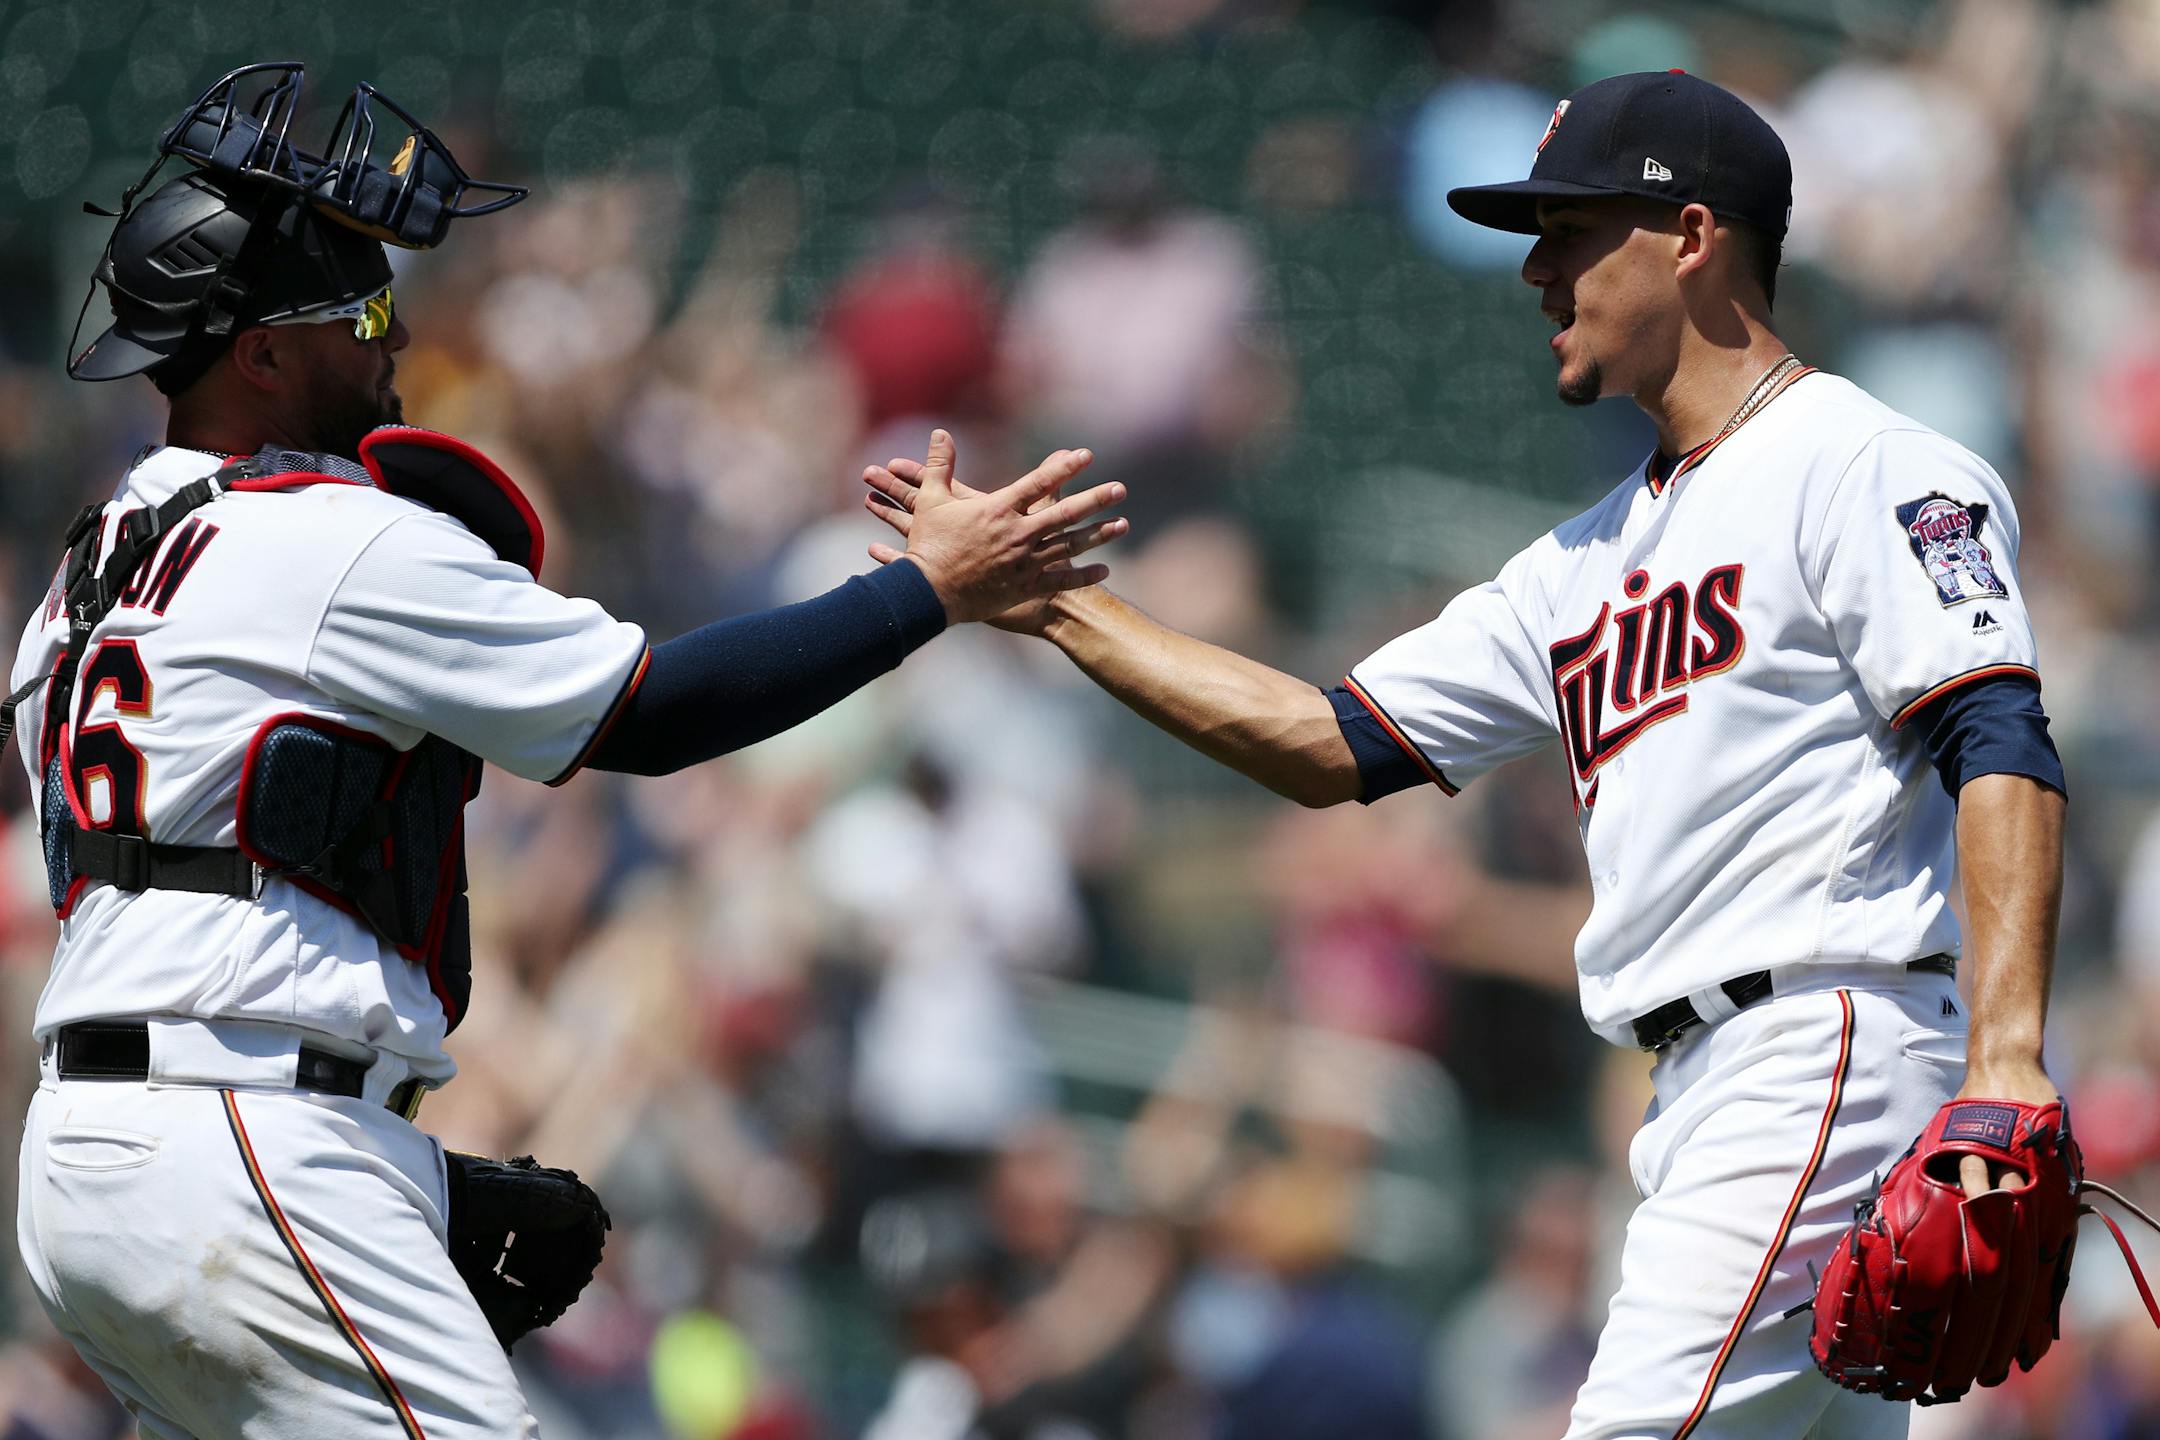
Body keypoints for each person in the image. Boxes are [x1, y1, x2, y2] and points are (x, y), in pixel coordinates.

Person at [867, 71, 2067, 1437]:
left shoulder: (1865, 464)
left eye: (1569, 232)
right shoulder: (1578, 564)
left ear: (1690, 238)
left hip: (1821, 1046)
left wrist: (2009, 1059)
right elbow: (1328, 740)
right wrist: (1059, 609)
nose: (1535, 271)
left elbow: (1997, 734)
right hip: (1698, 1088)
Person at [7, 66, 1125, 1440]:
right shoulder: (331, 537)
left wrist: (407, 1178)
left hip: (83, 1167)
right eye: (362, 312)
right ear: (260, 353)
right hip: (245, 1133)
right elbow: (645, 712)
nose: (396, 340)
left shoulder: (82, 571)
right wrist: (925, 592)